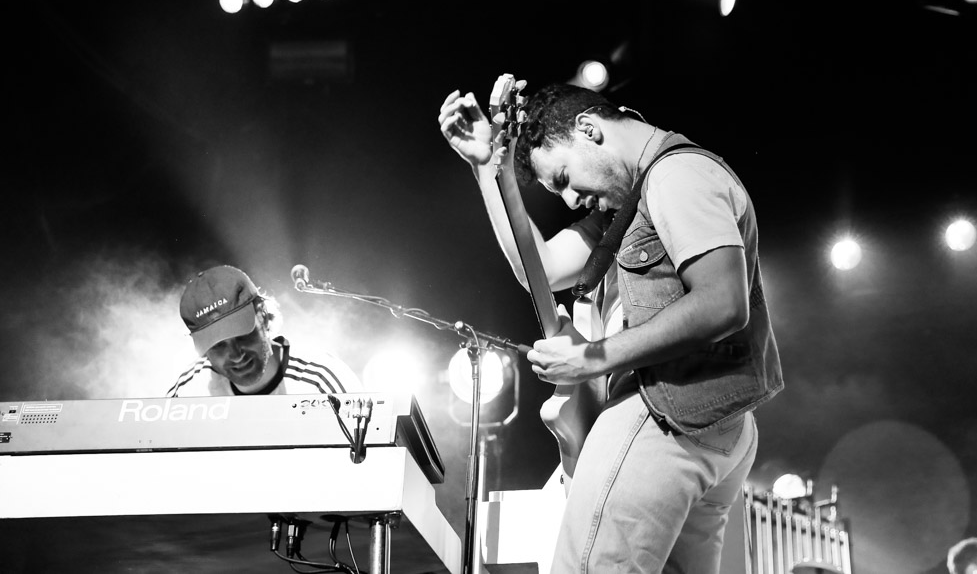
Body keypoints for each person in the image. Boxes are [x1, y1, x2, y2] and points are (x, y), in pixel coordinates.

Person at [438, 81, 783, 573]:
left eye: (564, 178)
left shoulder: (678, 174)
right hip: (718, 425)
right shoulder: (631, 205)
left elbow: (724, 303)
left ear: (589, 130)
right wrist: (488, 170)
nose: (574, 200)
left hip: (661, 409)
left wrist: (594, 357)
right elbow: (542, 267)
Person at [167, 265, 363, 397]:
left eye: (242, 335)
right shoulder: (188, 392)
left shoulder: (321, 379)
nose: (236, 355)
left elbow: (371, 455)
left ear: (263, 315)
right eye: (218, 345)